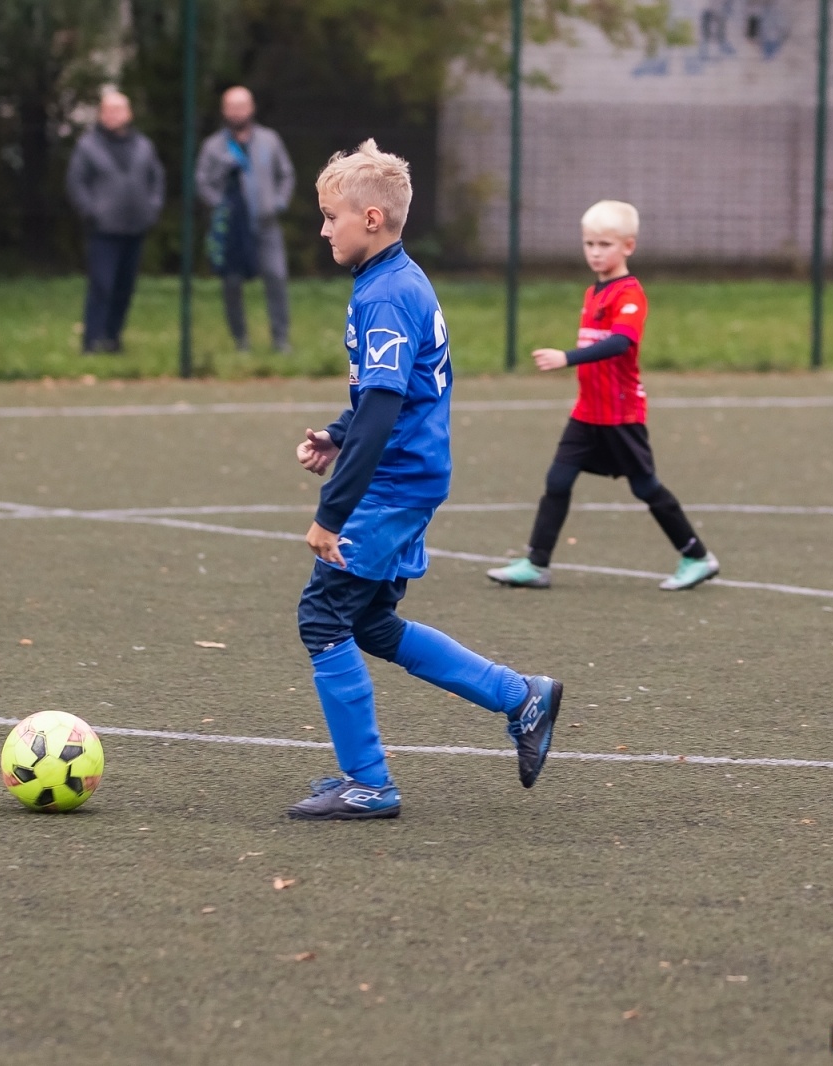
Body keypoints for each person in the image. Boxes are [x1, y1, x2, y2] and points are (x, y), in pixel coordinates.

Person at [289, 140, 563, 821]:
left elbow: (383, 409)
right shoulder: (395, 280)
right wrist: (340, 433)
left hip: (391, 485)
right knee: (372, 624)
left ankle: (370, 783)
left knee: (322, 617)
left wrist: (332, 511)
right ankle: (521, 696)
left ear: (372, 219)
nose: (324, 229)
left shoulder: (387, 295)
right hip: (404, 474)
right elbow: (390, 400)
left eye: (331, 217)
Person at [486, 200, 720, 592]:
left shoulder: (630, 294)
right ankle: (536, 564)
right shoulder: (593, 291)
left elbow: (620, 343)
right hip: (587, 414)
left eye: (604, 244)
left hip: (621, 414)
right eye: (589, 243)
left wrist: (567, 357)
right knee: (557, 481)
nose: (595, 252)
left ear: (628, 246)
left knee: (645, 487)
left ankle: (696, 555)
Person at [66, 90, 166, 353]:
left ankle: (113, 337)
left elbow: (157, 178)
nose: (113, 115)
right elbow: (76, 183)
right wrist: (90, 211)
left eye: (119, 109)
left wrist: (152, 208)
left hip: (135, 226)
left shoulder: (143, 146)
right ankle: (92, 340)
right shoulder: (88, 146)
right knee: (102, 284)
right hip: (103, 229)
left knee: (125, 287)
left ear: (129, 114)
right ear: (101, 114)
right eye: (108, 110)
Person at [196, 86, 295, 353]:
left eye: (242, 106)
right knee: (232, 283)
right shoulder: (213, 147)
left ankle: (281, 339)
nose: (237, 112)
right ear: (224, 110)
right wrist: (220, 206)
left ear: (251, 108)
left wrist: (278, 202)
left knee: (276, 277)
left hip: (266, 225)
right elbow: (202, 182)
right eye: (232, 106)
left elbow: (286, 174)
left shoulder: (269, 140)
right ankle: (241, 341)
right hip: (232, 230)